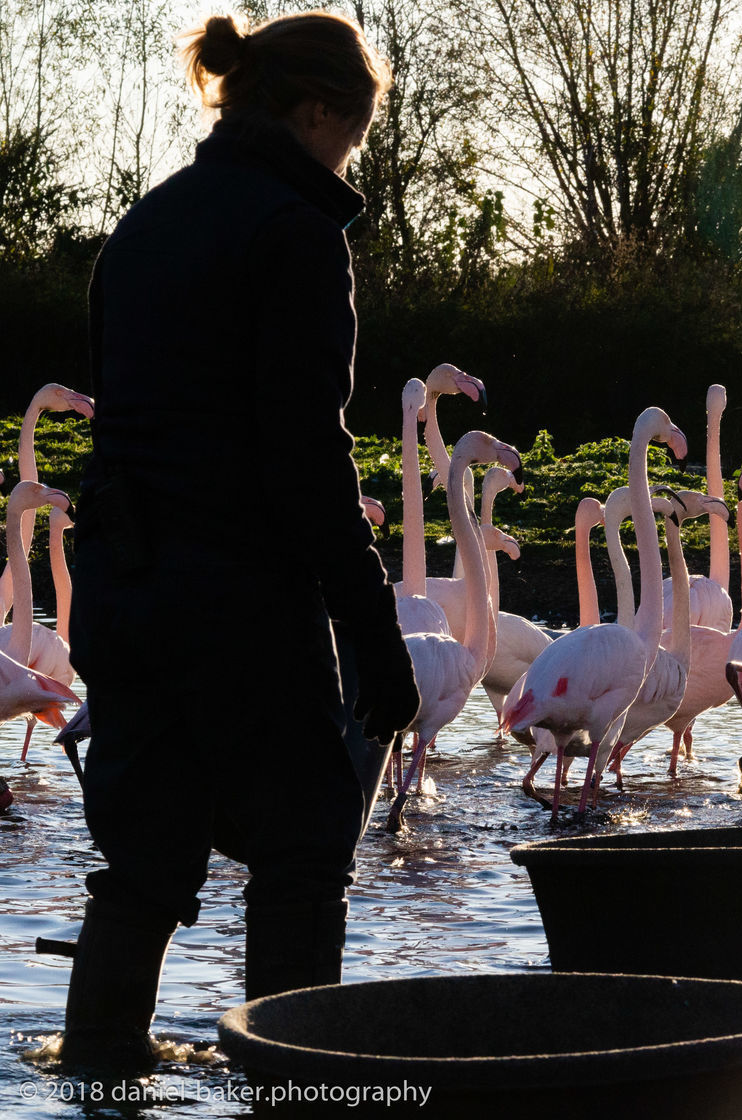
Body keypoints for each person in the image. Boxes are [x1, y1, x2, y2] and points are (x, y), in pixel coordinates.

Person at [62, 11, 421, 1068]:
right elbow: (307, 458)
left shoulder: (148, 223)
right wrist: (372, 634)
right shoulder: (292, 234)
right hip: (235, 595)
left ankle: (94, 1080)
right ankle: (298, 1088)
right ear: (314, 113)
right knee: (306, 848)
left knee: (144, 867)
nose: (346, 161)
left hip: (121, 586)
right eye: (348, 139)